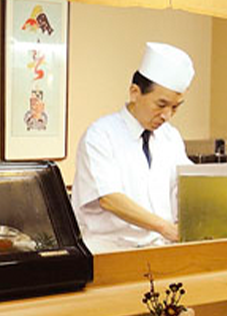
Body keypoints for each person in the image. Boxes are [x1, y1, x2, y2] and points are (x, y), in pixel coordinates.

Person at [72, 42, 196, 253]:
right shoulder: (100, 135)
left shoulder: (170, 137)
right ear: (134, 92)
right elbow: (109, 198)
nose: (167, 115)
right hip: (111, 251)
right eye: (161, 105)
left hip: (161, 249)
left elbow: (185, 186)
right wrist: (164, 227)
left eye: (175, 107)